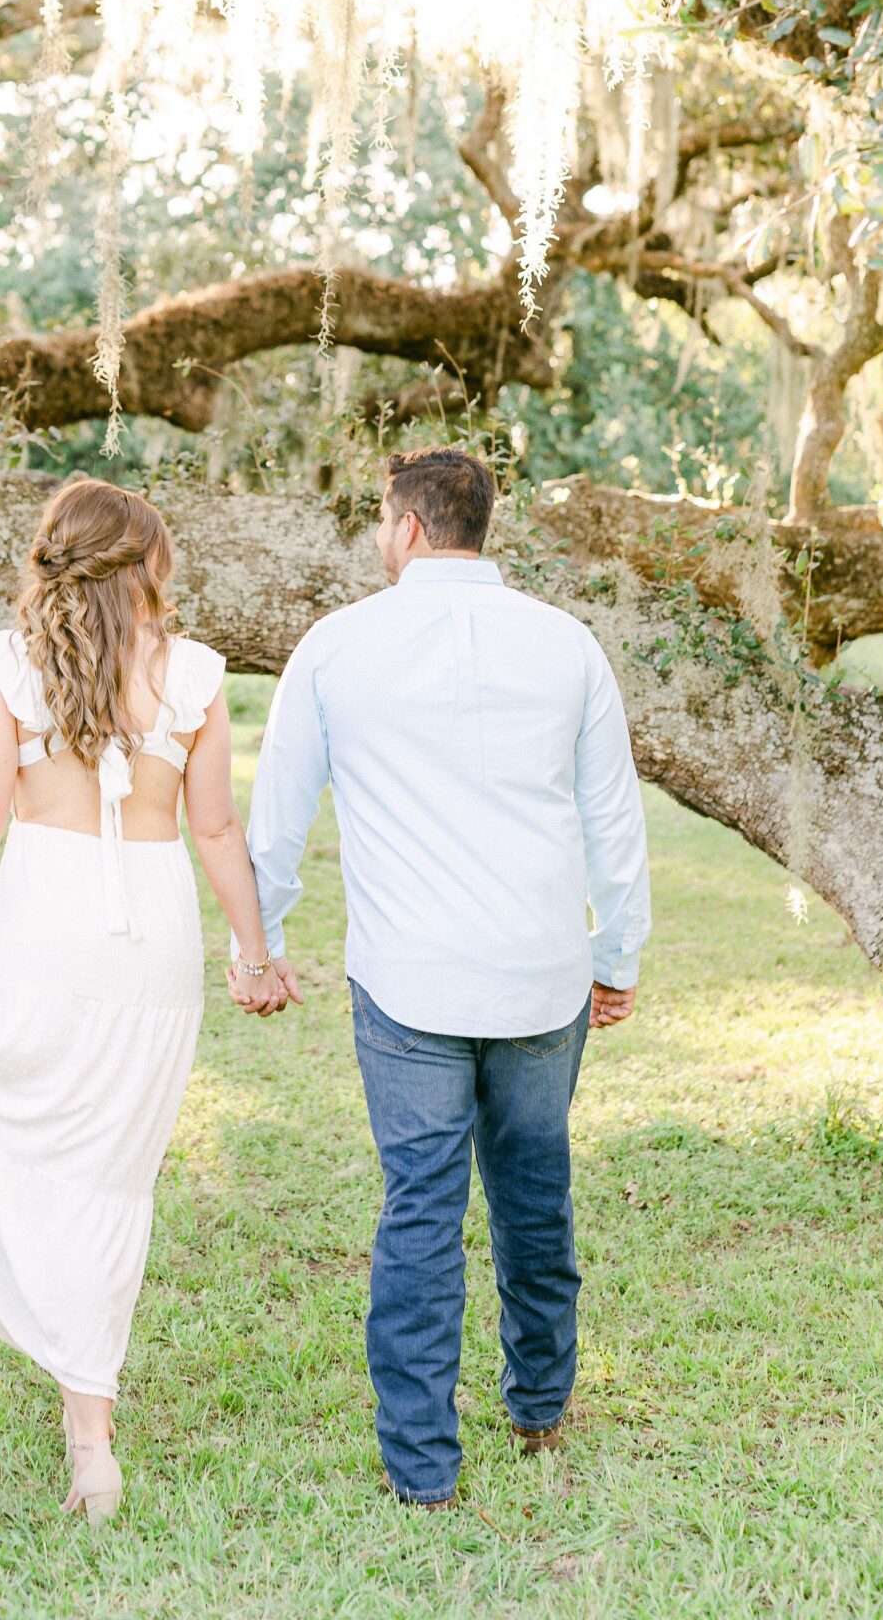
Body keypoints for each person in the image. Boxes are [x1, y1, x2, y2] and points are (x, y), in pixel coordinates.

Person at [236, 445, 650, 1508]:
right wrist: (615, 957)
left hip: (408, 978)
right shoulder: (565, 643)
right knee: (534, 1187)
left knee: (418, 1210)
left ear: (408, 526)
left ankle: (422, 1468)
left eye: (381, 521)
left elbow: (276, 816)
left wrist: (258, 945)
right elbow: (613, 817)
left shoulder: (336, 646)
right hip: (540, 972)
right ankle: (540, 1406)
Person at [0, 476, 286, 1526]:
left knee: (36, 1150)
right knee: (113, 1179)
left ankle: (86, 1422)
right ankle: (89, 1431)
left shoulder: (8, 663)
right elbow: (214, 828)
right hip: (154, 941)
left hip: (46, 927)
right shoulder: (194, 673)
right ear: (147, 563)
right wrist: (253, 954)